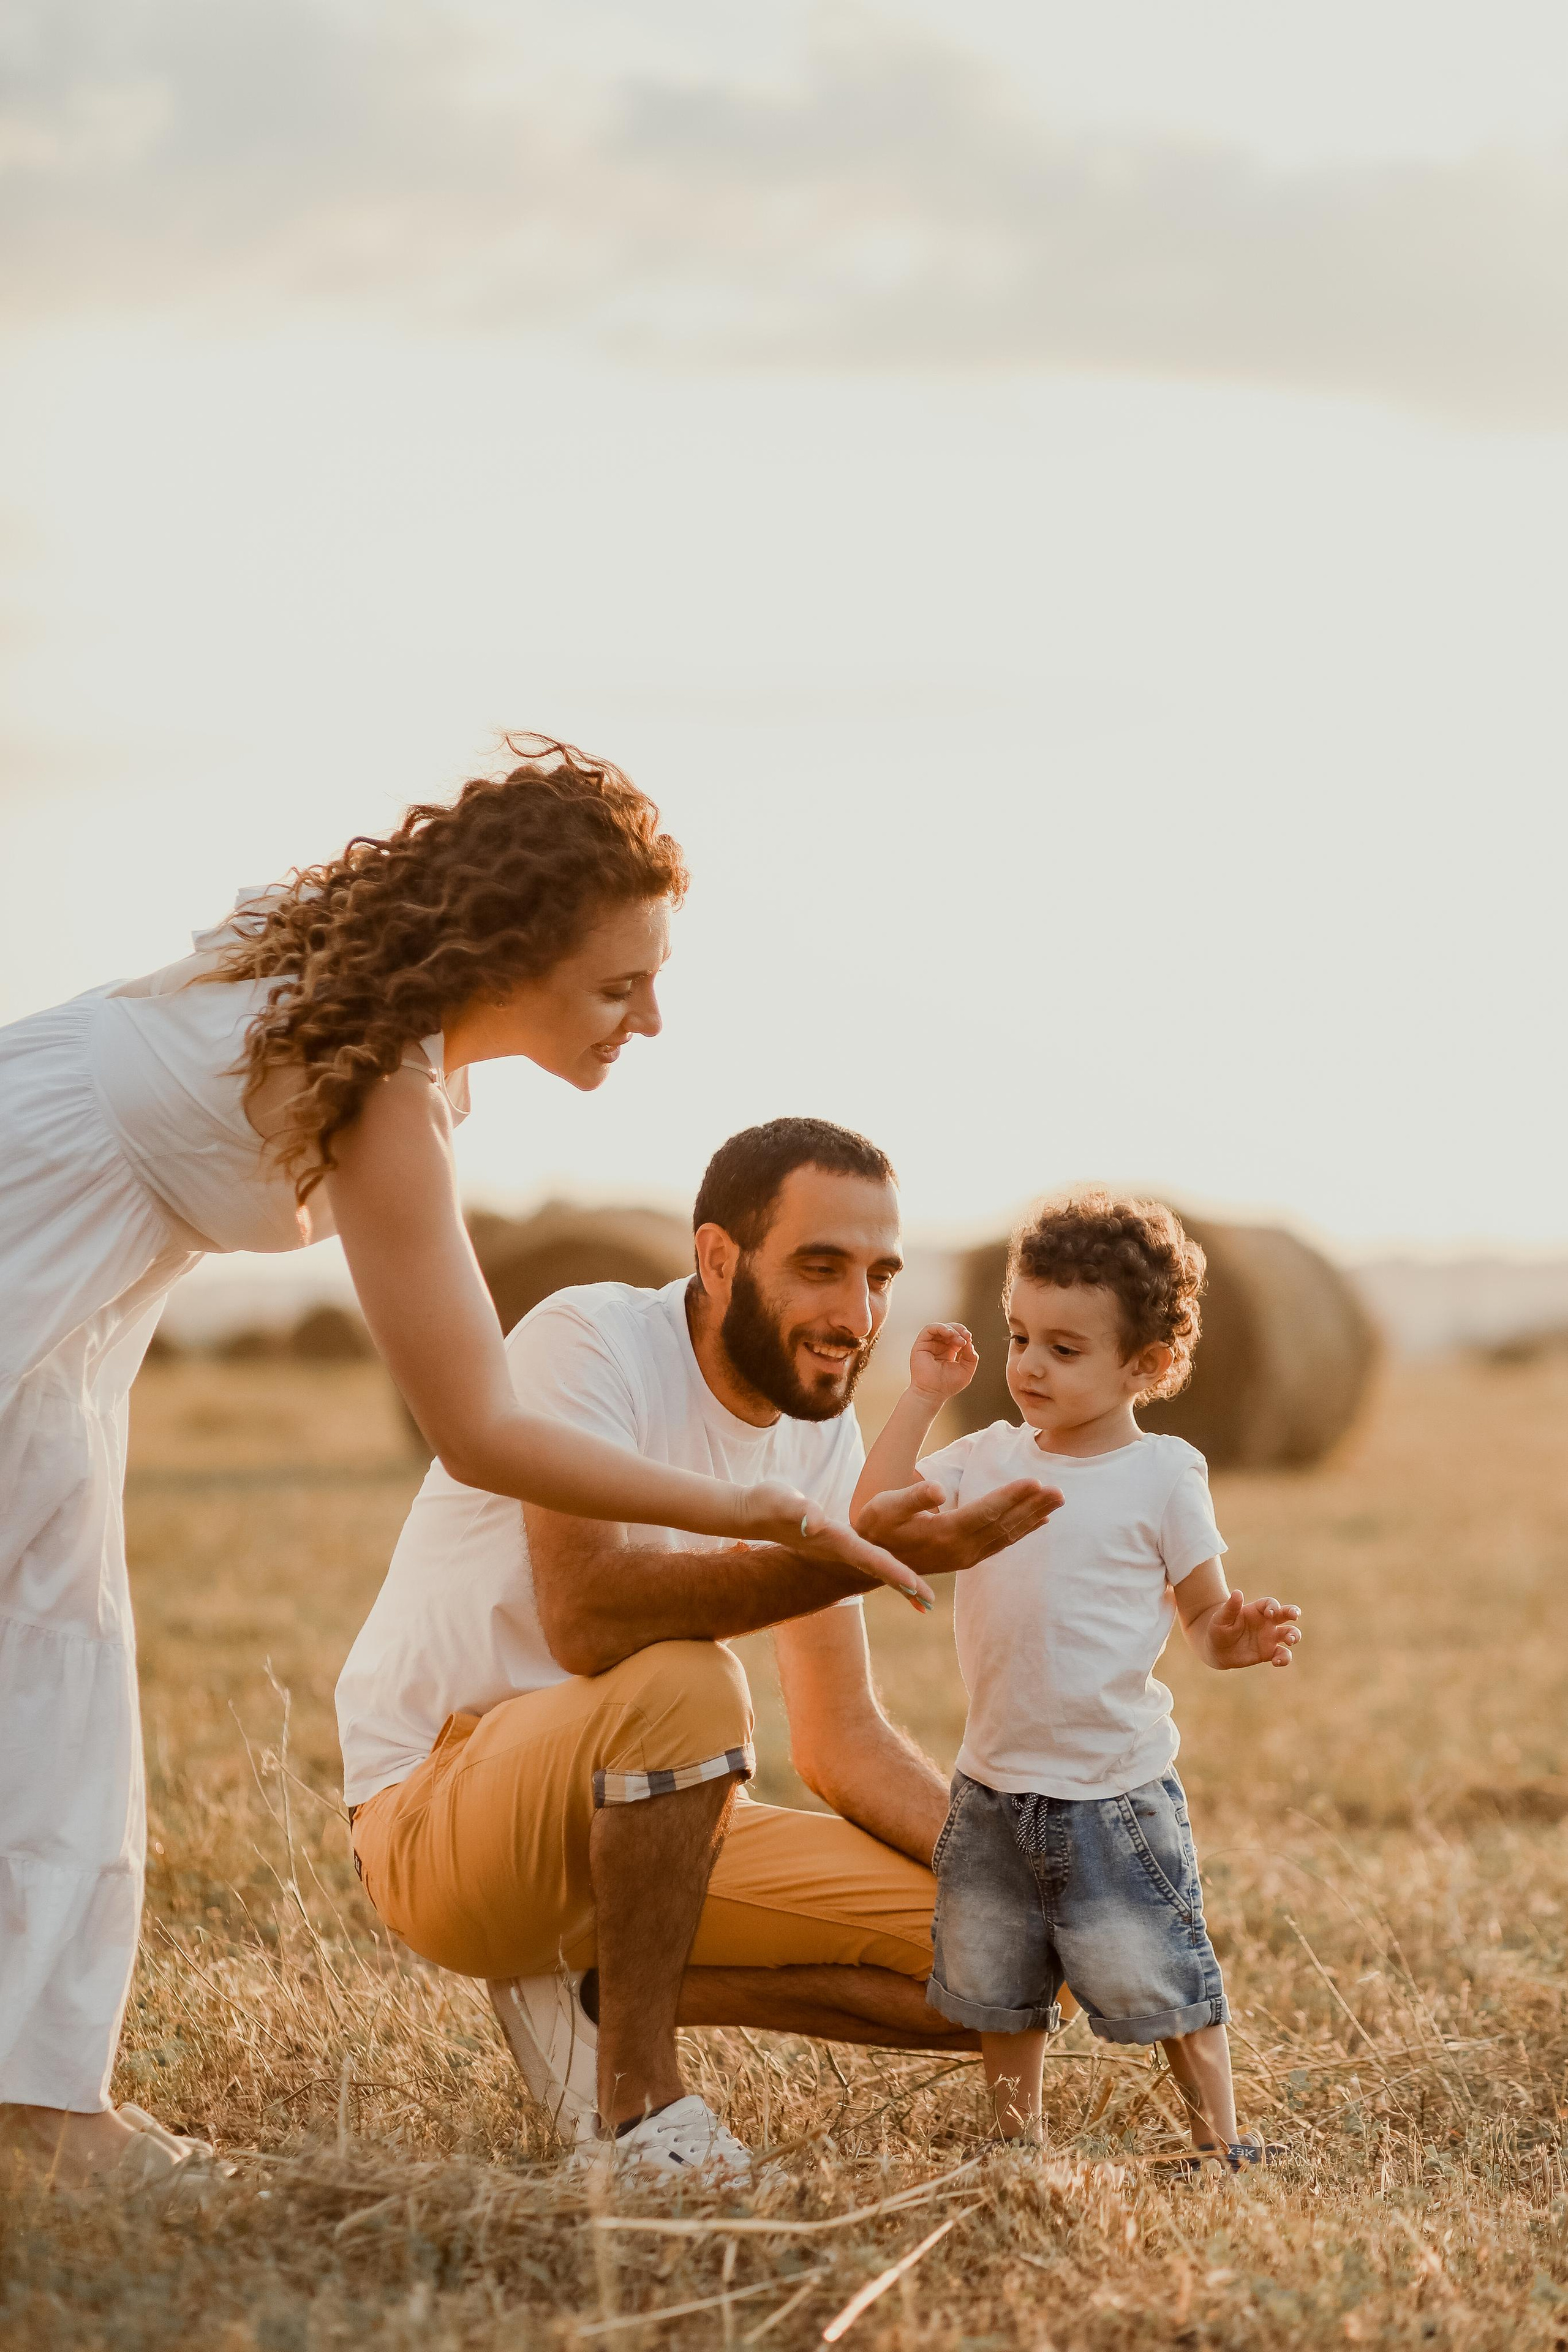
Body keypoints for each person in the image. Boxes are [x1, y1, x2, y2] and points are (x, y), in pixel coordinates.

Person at [0, 742, 919, 2191]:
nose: (652, 1018)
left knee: (58, 1682)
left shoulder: (369, 1020)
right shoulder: (373, 1082)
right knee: (52, 1673)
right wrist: (746, 1505)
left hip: (68, 1332)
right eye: (619, 984)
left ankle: (48, 2112)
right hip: (20, 1251)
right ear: (515, 950)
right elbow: (482, 1430)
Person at [337, 1118, 1061, 2182]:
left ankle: (594, 1997)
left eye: (879, 1276)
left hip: (652, 1841)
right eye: (820, 1268)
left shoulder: (823, 1438)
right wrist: (858, 1558)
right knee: (686, 1681)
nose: (856, 1316)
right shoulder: (586, 1342)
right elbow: (587, 1616)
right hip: (441, 1811)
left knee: (1023, 1954)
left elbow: (840, 1736)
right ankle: (635, 2118)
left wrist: (1018, 1871)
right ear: (719, 1258)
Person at [853, 1193, 1303, 2166]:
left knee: (1162, 1975)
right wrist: (923, 1394)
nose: (1028, 1366)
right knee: (996, 1981)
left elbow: (1206, 1628)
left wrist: (1245, 1632)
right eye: (1020, 1336)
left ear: (1146, 1365)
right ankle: (1017, 2145)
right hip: (991, 1785)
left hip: (1114, 1793)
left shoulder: (1164, 1475)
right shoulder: (985, 1457)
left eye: (1064, 1348)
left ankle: (1219, 2143)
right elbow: (875, 1512)